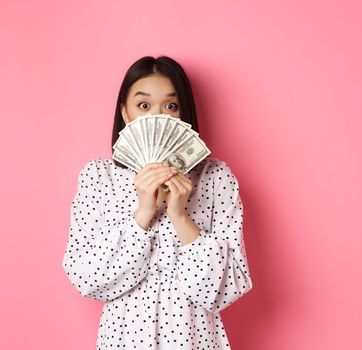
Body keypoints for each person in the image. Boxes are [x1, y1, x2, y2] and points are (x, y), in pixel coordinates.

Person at [61, 55, 253, 349]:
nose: (157, 116)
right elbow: (86, 277)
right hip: (124, 339)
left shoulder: (216, 177)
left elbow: (227, 288)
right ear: (125, 112)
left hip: (195, 338)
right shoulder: (98, 177)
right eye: (143, 105)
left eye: (171, 106)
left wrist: (180, 215)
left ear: (183, 115)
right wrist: (143, 212)